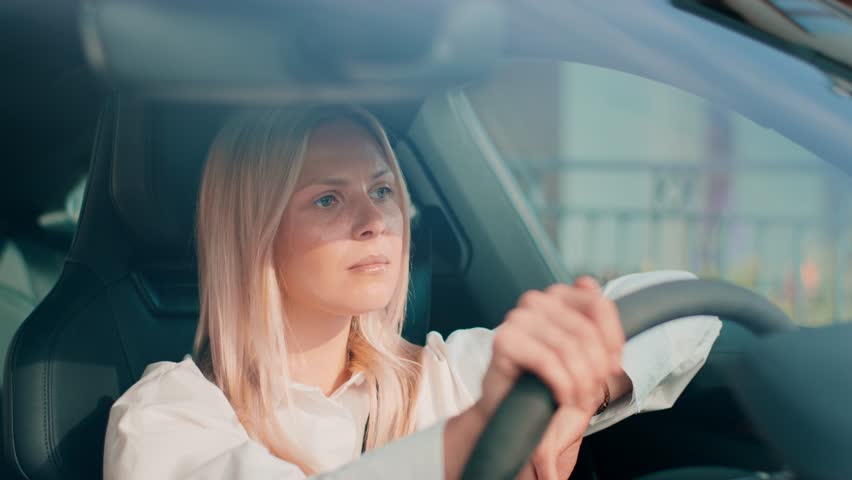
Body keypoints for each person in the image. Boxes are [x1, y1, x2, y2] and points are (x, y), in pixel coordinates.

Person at [103, 105, 721, 480]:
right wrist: (477, 436)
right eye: (326, 198)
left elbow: (682, 303)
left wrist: (580, 394)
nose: (373, 221)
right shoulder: (167, 417)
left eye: (381, 190)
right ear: (253, 234)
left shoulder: (443, 374)